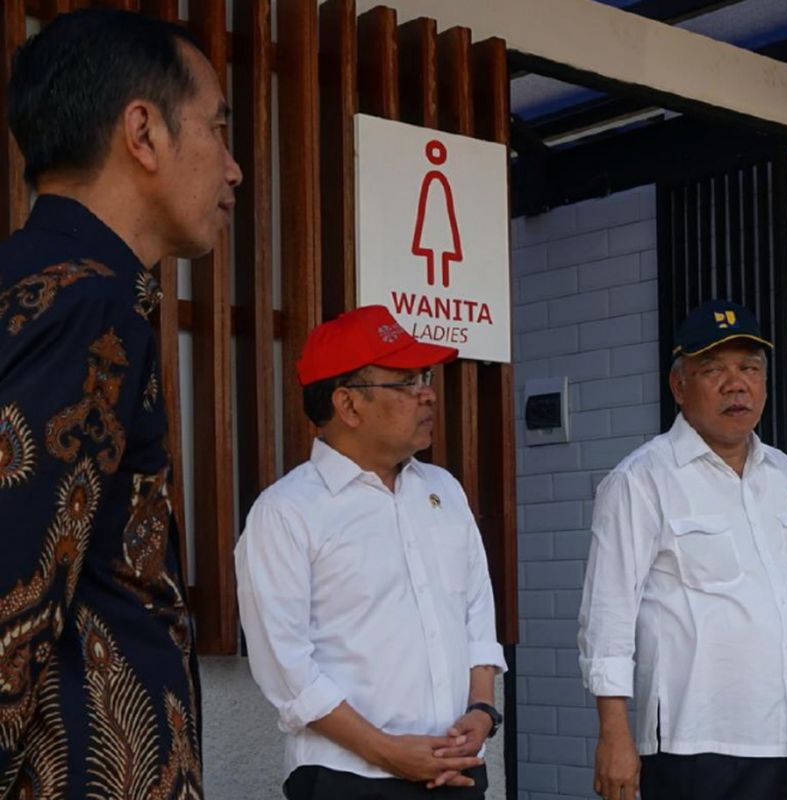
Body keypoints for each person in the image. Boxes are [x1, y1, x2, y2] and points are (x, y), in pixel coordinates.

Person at [0, 9, 241, 797]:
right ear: (143, 132)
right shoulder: (92, 304)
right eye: (217, 128)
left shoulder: (28, 281)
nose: (234, 169)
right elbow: (14, 604)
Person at [577, 299, 787, 800]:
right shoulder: (641, 479)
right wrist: (614, 732)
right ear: (679, 386)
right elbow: (608, 615)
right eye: (714, 370)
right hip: (699, 741)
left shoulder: (785, 475)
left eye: (750, 369)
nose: (737, 384)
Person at [235, 305, 507, 800]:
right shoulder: (287, 512)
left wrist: (482, 711)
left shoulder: (443, 490)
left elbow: (476, 615)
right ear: (348, 404)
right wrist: (388, 752)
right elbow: (287, 670)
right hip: (350, 780)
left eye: (424, 377)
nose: (427, 394)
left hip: (458, 769)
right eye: (405, 382)